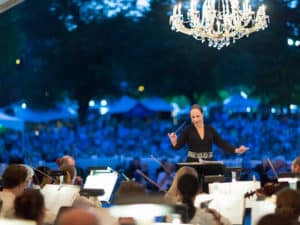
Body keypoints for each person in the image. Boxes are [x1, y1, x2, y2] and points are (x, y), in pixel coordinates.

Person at [168, 104, 248, 162]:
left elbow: (221, 143)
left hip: (209, 162)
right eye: (193, 117)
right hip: (192, 163)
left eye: (198, 116)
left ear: (202, 115)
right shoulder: (187, 130)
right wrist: (174, 140)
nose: (195, 119)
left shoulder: (210, 129)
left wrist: (236, 150)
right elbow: (177, 147)